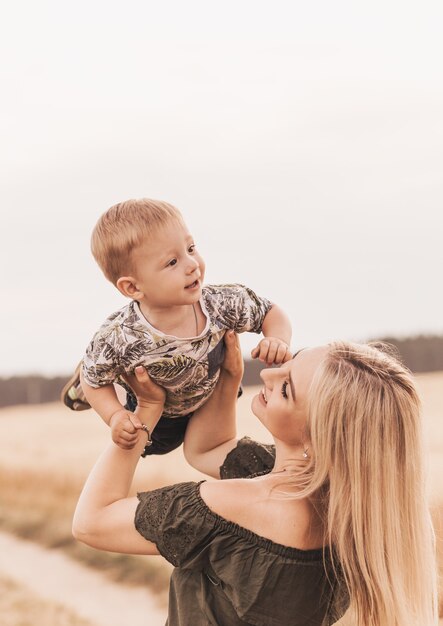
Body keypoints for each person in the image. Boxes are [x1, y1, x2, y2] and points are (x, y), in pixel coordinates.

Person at [72, 332, 438, 626]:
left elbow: (92, 521)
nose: (266, 373)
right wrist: (227, 379)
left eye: (285, 388)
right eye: (290, 362)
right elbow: (207, 449)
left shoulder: (239, 505)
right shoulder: (353, 508)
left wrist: (143, 414)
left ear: (318, 435)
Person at [62, 198, 291, 455]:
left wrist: (277, 339)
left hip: (208, 389)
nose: (192, 264)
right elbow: (96, 384)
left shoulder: (222, 303)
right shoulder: (119, 337)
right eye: (172, 262)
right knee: (145, 436)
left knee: (213, 446)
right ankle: (91, 375)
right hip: (163, 417)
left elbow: (270, 312)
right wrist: (115, 415)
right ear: (133, 287)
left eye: (191, 249)